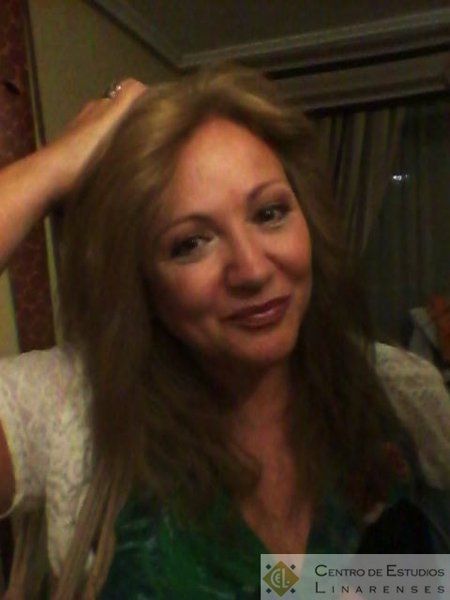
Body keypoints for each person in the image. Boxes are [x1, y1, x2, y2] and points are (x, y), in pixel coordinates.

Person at [0, 64, 449, 599]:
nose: (252, 270)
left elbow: (321, 582)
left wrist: (331, 587)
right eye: (191, 243)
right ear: (138, 280)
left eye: (270, 213)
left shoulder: (397, 392)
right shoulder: (75, 407)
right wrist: (57, 164)